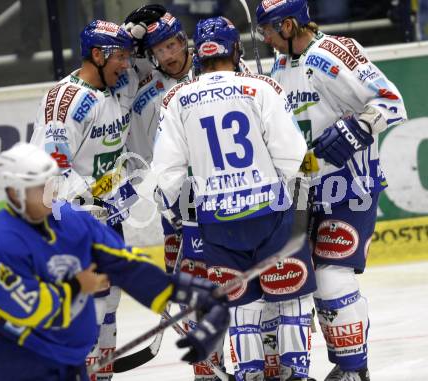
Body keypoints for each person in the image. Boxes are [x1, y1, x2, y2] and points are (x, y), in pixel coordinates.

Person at [151, 16, 315, 381]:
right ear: (235, 49)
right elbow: (294, 158)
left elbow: (167, 172)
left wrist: (178, 213)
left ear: (199, 54)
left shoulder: (176, 98)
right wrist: (301, 196)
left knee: (240, 302)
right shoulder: (262, 87)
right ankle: (297, 373)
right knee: (292, 296)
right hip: (270, 215)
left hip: (217, 223)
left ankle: (249, 372)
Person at [0, 142, 230, 381]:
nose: (49, 192)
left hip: (68, 365)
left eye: (49, 183)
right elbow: (30, 309)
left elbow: (125, 264)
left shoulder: (71, 221)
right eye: (39, 187)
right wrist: (77, 286)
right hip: (16, 369)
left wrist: (195, 294)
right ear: (14, 192)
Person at [256, 0, 407, 380]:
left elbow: (391, 102)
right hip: (305, 189)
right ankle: (337, 365)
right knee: (296, 284)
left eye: (270, 31)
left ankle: (354, 370)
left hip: (349, 185)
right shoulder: (281, 62)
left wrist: (358, 129)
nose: (266, 39)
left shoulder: (335, 53)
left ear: (289, 25)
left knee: (331, 279)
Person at [30, 19, 143, 380]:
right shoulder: (68, 101)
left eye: (127, 56)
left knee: (109, 303)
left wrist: (138, 31)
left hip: (107, 216)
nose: (126, 64)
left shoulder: (118, 85)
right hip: (73, 223)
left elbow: (148, 66)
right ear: (97, 55)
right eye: (119, 57)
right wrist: (84, 203)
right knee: (84, 310)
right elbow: (48, 173)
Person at [124, 6, 228, 379]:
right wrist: (164, 201)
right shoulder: (146, 99)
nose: (168, 55)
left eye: (172, 44)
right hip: (178, 207)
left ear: (184, 42)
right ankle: (207, 369)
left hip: (226, 198)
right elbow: (142, 160)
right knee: (194, 290)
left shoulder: (218, 70)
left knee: (238, 285)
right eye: (159, 49)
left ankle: (258, 361)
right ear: (151, 54)